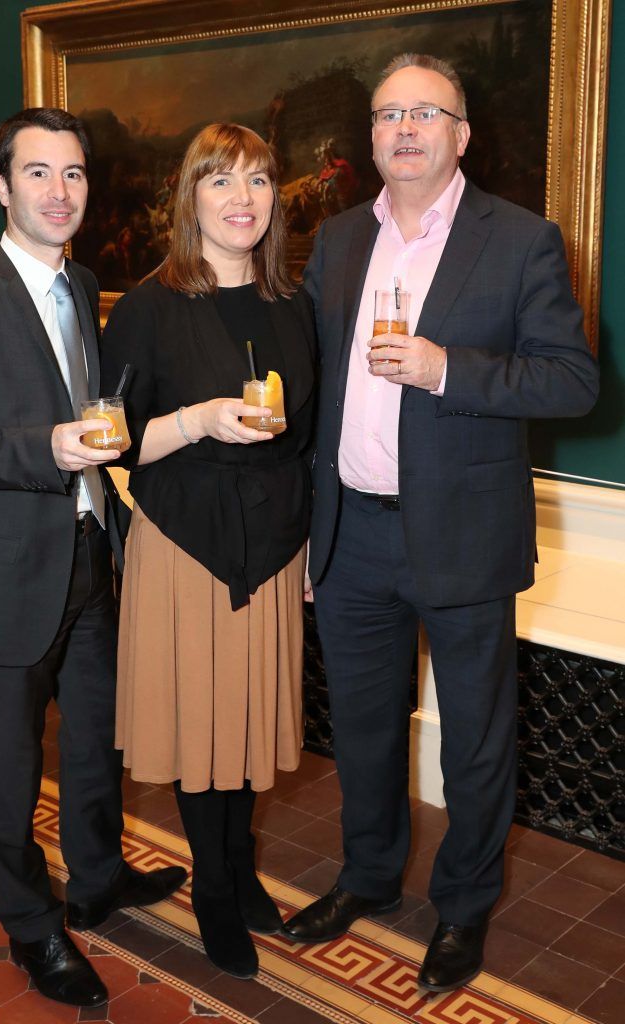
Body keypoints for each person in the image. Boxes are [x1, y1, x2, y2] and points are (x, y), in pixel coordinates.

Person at [281, 54, 599, 992]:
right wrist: (307, 529)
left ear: (461, 134)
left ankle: (462, 909)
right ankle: (370, 879)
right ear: (369, 136)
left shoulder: (521, 240)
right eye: (387, 114)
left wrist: (444, 368)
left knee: (474, 741)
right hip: (351, 538)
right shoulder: (336, 241)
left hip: (462, 536)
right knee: (365, 730)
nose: (405, 128)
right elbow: (312, 395)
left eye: (427, 112)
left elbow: (572, 380)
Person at [0, 108, 186, 1009]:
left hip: (90, 557)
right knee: (11, 767)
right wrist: (43, 449)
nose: (59, 193)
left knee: (95, 746)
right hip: (5, 576)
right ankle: (31, 928)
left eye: (74, 175)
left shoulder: (83, 282)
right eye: (38, 174)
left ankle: (97, 879)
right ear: (0, 186)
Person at [101, 123, 316, 979]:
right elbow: (112, 441)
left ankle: (239, 863)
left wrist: (311, 551)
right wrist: (195, 421)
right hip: (186, 542)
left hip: (272, 543)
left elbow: (310, 437)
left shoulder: (292, 303)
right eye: (221, 181)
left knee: (246, 722)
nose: (242, 199)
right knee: (202, 728)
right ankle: (215, 890)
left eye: (259, 182)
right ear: (188, 196)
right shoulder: (151, 305)